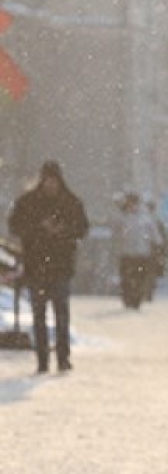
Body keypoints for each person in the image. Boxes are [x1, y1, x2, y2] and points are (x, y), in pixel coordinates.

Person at [6, 160, 89, 373]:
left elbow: (81, 228)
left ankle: (63, 357)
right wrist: (39, 230)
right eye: (47, 180)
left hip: (60, 265)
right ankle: (42, 359)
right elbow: (15, 226)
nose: (50, 185)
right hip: (36, 266)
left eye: (53, 181)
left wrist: (62, 232)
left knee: (61, 315)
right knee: (39, 316)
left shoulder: (70, 203)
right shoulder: (28, 203)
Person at [114, 193, 162, 310]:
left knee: (139, 277)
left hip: (142, 254)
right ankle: (127, 298)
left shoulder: (146, 218)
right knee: (126, 278)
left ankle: (137, 299)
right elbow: (116, 234)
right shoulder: (122, 218)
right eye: (130, 203)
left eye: (134, 203)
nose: (132, 206)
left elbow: (155, 236)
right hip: (126, 254)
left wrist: (156, 245)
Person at [143, 199, 168, 303]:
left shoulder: (149, 220)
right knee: (149, 273)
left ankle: (147, 293)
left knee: (148, 273)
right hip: (151, 251)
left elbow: (162, 239)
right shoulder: (154, 221)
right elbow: (162, 239)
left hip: (149, 251)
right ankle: (147, 293)